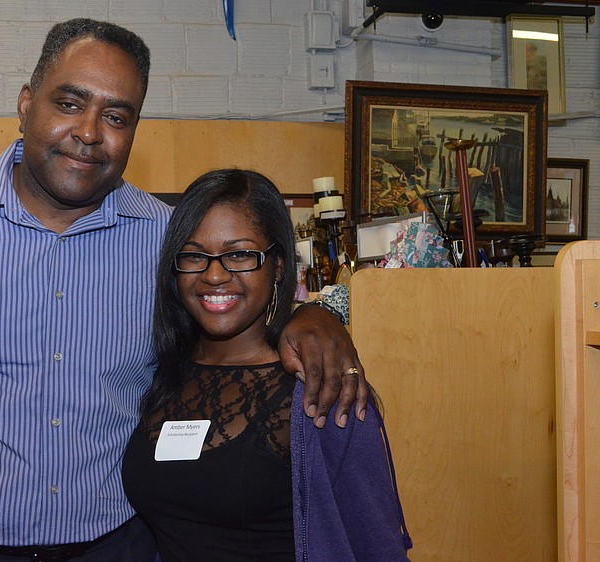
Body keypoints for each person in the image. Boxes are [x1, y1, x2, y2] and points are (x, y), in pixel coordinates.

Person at [0, 18, 368, 562]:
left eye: (116, 116)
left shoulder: (167, 240)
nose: (89, 132)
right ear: (25, 104)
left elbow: (237, 305)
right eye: (69, 103)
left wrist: (315, 316)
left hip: (118, 547)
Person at [121, 169, 412, 561]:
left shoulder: (322, 385)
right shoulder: (160, 374)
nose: (214, 274)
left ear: (278, 265)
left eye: (239, 254)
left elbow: (376, 545)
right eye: (194, 255)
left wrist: (316, 310)